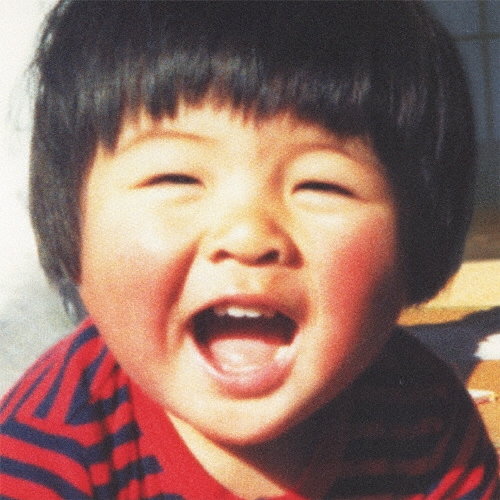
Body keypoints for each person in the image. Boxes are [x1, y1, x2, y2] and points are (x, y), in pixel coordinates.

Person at [0, 1, 498, 498]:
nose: (248, 237)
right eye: (176, 177)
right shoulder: (44, 454)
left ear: (415, 243)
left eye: (321, 184)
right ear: (71, 228)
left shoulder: (426, 423)